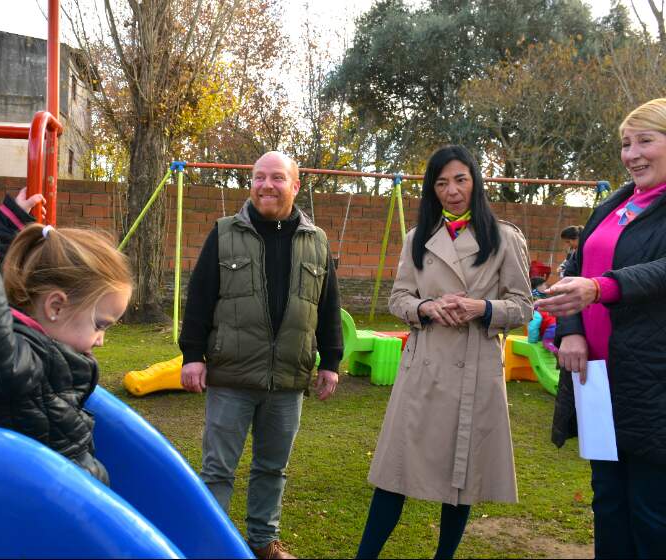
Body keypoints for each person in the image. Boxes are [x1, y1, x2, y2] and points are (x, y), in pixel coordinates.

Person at [356, 145, 532, 559]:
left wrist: (482, 308)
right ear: (432, 190)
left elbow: (524, 306)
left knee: (461, 477)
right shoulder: (418, 238)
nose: (452, 191)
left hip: (475, 369)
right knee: (393, 473)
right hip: (423, 369)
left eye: (460, 180)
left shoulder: (504, 238)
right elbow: (398, 297)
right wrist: (425, 308)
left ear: (475, 182)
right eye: (441, 183)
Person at [178, 151, 343, 560]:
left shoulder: (316, 241)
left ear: (295, 186)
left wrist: (332, 362)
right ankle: (211, 544)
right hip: (232, 375)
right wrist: (192, 355)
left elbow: (327, 306)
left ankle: (262, 542)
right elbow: (199, 298)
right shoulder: (224, 232)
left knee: (272, 468)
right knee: (217, 470)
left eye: (276, 178)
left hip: (287, 378)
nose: (266, 185)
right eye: (258, 178)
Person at [0, 201, 133, 529]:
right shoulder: (19, 361)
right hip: (3, 516)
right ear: (55, 306)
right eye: (100, 325)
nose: (101, 340)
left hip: (42, 495)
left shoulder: (40, 344)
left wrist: (7, 224)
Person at [538, 97, 666, 559]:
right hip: (597, 378)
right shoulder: (615, 203)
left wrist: (602, 288)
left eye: (645, 141)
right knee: (607, 501)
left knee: (651, 510)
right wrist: (571, 329)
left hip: (650, 381)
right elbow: (576, 266)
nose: (632, 154)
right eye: (626, 144)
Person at [528, 279, 557, 353]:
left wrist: (532, 341)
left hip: (550, 326)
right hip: (553, 326)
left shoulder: (543, 298)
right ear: (538, 286)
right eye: (544, 285)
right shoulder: (535, 300)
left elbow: (534, 324)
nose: (546, 286)